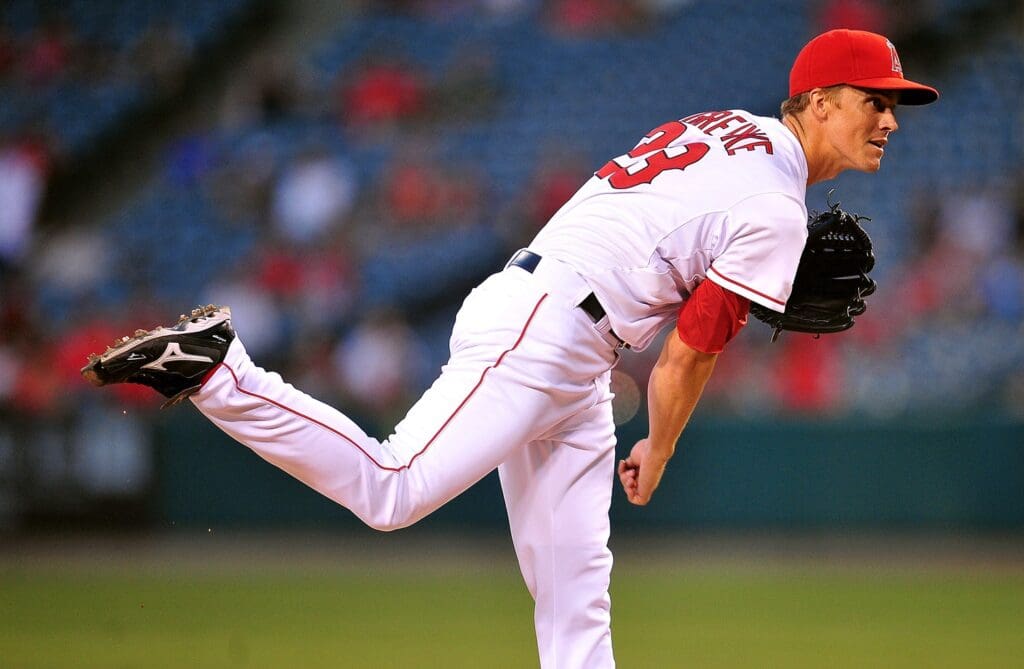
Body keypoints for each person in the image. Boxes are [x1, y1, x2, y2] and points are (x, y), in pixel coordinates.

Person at [82, 29, 937, 669]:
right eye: (876, 99)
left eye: (894, 103)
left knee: (576, 597)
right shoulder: (778, 208)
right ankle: (222, 370)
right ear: (820, 100)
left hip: (573, 340)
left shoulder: (729, 128)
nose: (890, 118)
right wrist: (661, 446)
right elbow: (690, 353)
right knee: (394, 487)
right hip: (547, 325)